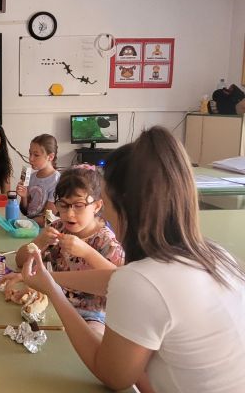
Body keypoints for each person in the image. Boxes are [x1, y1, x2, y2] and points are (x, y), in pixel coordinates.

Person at [20, 127, 245, 392]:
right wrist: (49, 280)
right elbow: (113, 280)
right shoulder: (216, 255)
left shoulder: (141, 280)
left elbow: (114, 376)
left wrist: (54, 293)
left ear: (118, 205)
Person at [12, 165, 124, 334]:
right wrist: (41, 241)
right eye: (63, 205)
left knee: (93, 338)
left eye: (79, 205)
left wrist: (87, 252)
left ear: (97, 206)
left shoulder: (106, 240)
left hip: (92, 315)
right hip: (55, 303)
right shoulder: (58, 228)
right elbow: (19, 260)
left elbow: (120, 281)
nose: (69, 214)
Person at [16, 133, 60, 225]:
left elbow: (48, 219)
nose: (30, 159)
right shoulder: (31, 177)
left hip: (44, 231)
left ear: (50, 157)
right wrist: (24, 196)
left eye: (36, 155)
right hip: (29, 225)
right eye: (30, 153)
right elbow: (25, 211)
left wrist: (24, 223)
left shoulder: (56, 181)